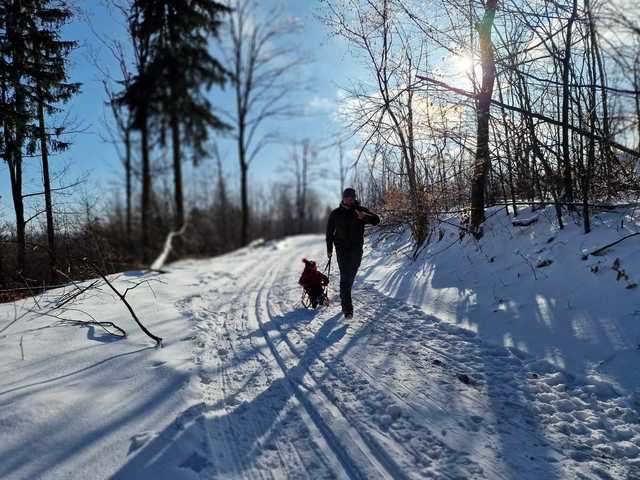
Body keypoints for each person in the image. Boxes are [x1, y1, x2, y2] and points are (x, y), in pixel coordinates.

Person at [326, 187, 380, 318]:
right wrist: (329, 248)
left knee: (350, 277)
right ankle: (347, 309)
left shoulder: (360, 211)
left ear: (354, 198)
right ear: (343, 198)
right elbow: (329, 233)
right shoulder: (335, 213)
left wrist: (365, 217)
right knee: (345, 277)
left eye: (351, 197)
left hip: (356, 249)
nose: (349, 199)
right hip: (341, 249)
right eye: (347, 197)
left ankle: (344, 295)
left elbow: (376, 220)